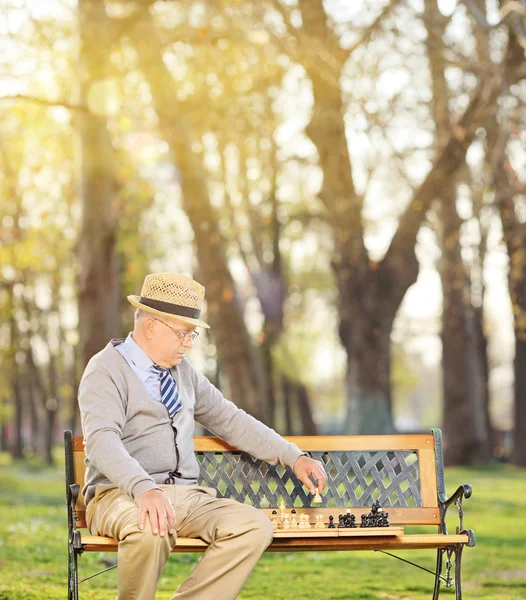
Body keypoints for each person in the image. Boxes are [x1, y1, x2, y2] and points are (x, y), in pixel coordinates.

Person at [79, 272, 327, 600]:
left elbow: (231, 420)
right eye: (183, 333)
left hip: (186, 496)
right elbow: (101, 440)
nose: (189, 343)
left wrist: (293, 456)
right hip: (120, 495)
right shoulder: (105, 371)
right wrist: (144, 489)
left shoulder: (185, 374)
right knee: (149, 528)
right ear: (151, 326)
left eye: (192, 334)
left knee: (253, 527)